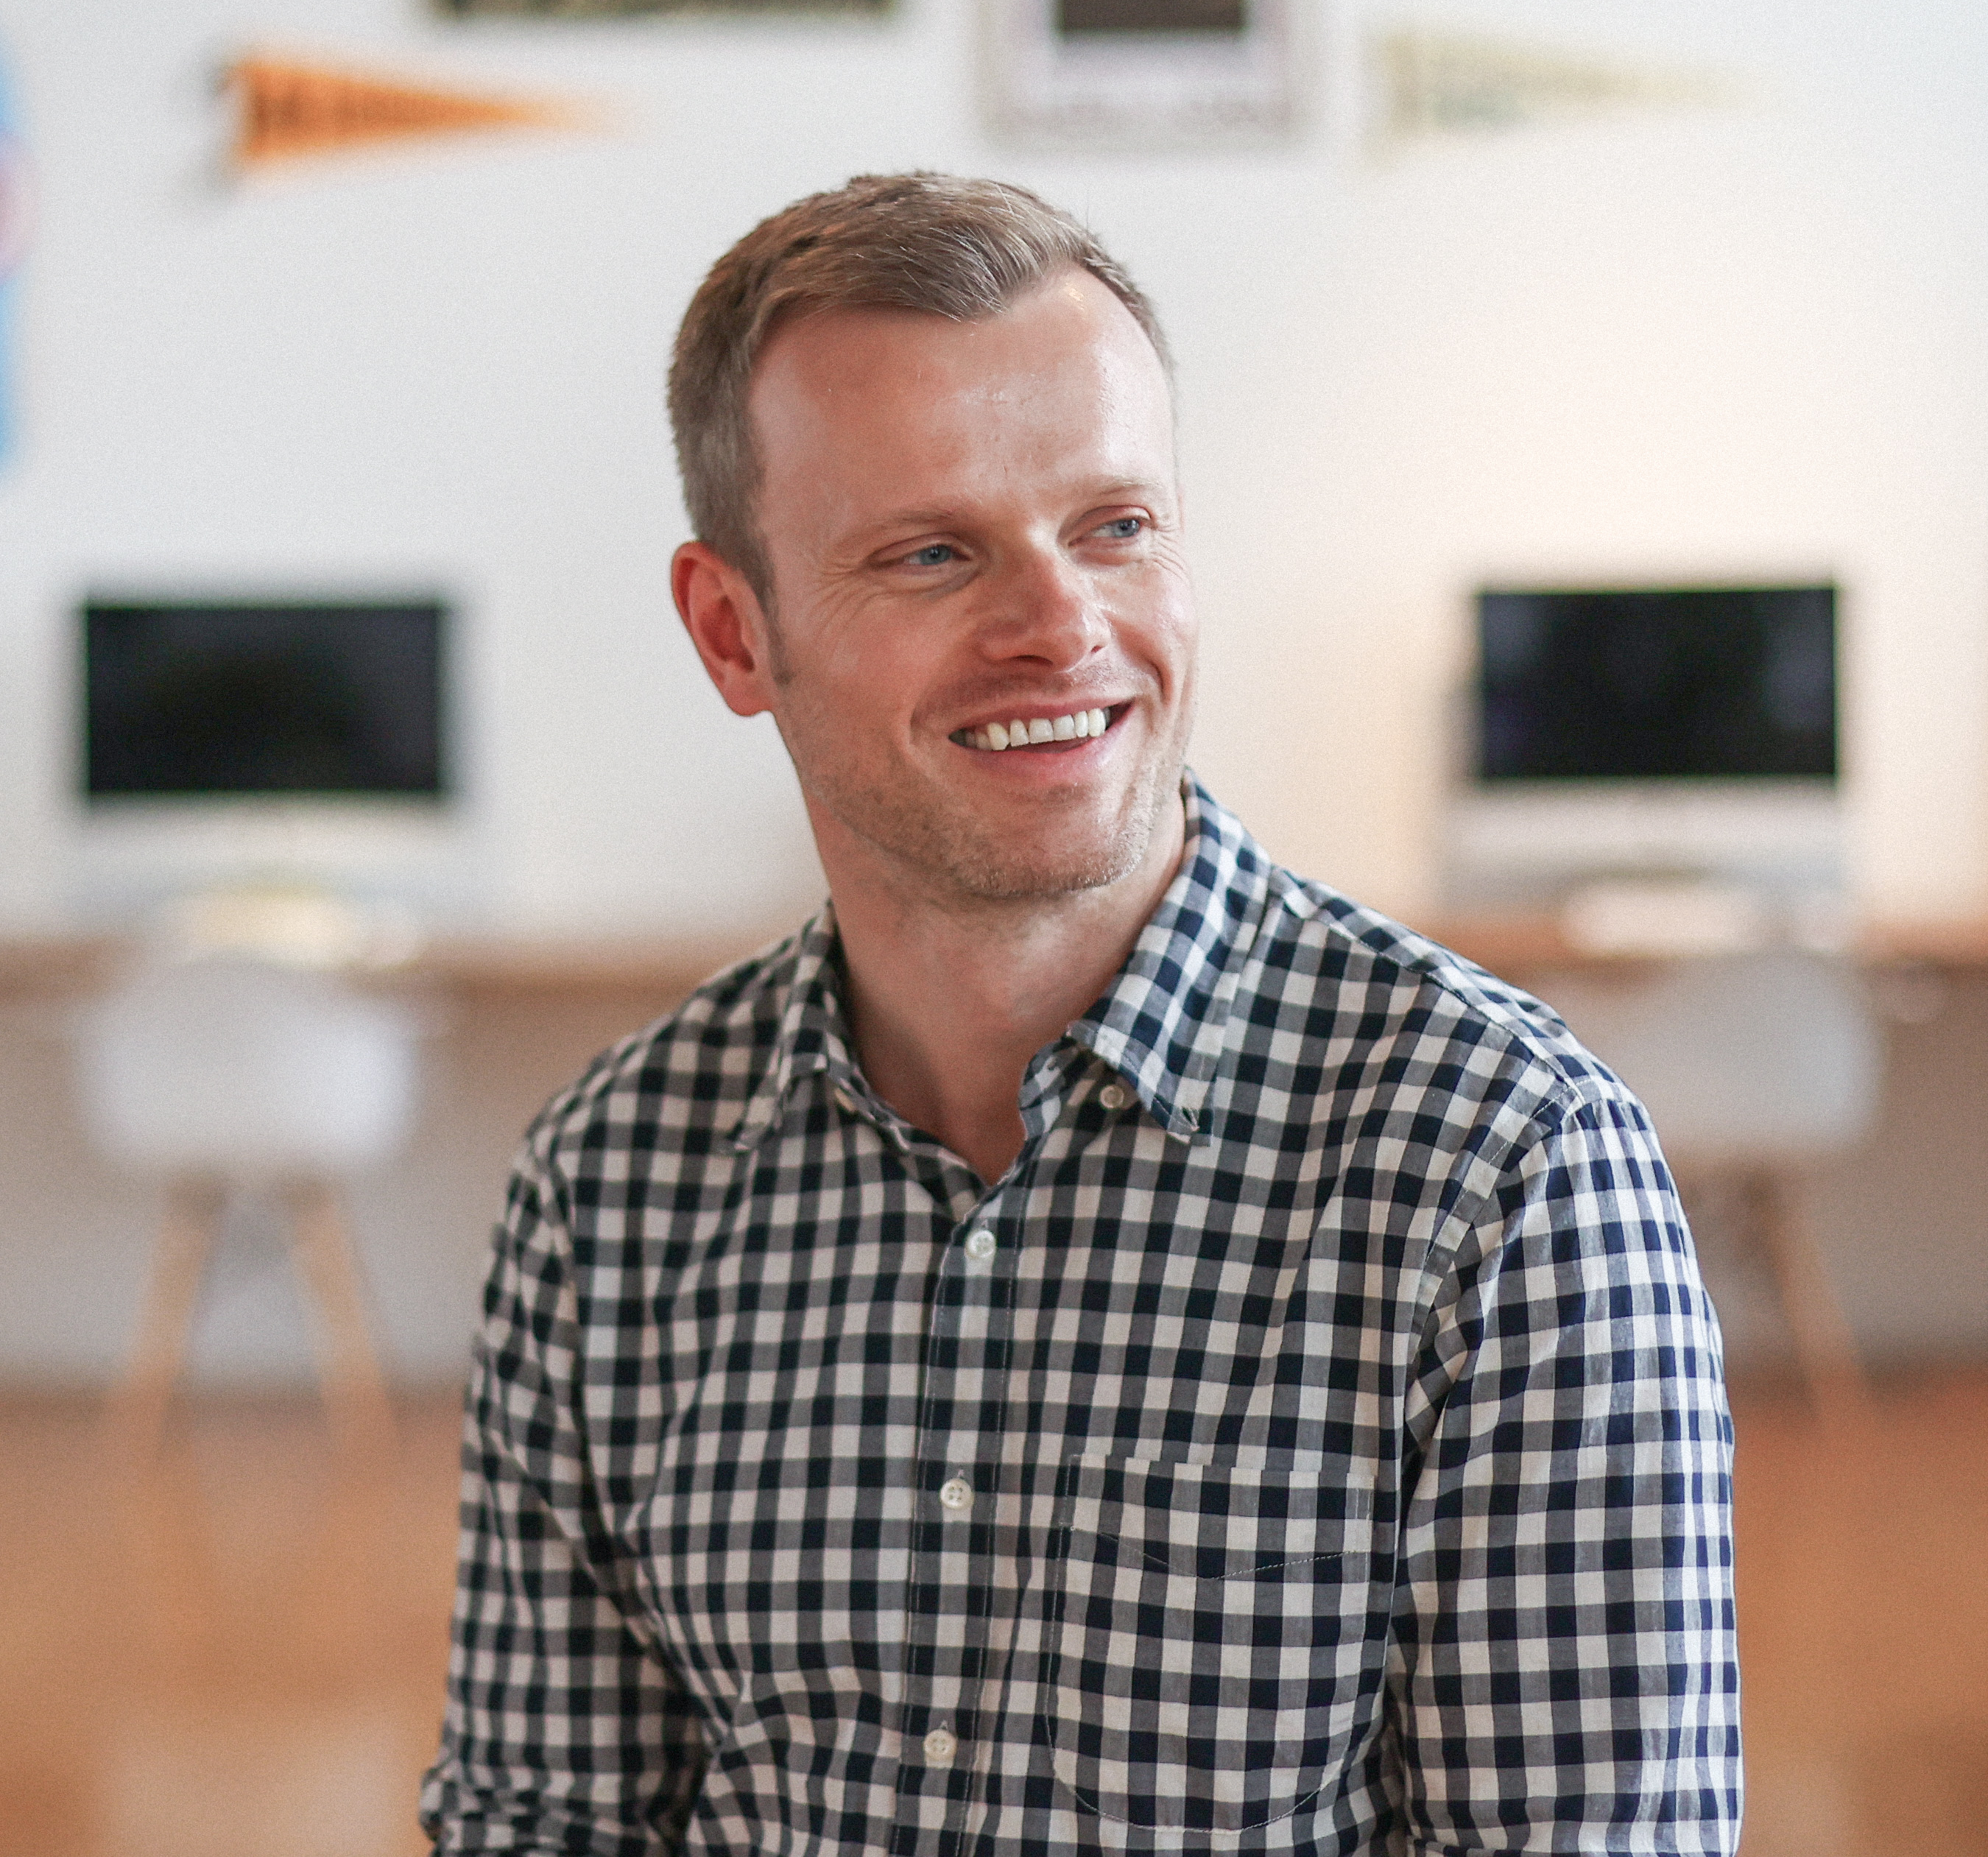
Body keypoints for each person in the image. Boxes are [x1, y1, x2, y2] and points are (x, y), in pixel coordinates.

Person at [420, 172, 1741, 1856]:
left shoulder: (1505, 1170)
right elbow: (541, 1821)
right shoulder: (605, 1190)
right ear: (732, 631)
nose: (1061, 627)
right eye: (931, 553)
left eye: (1117, 526)